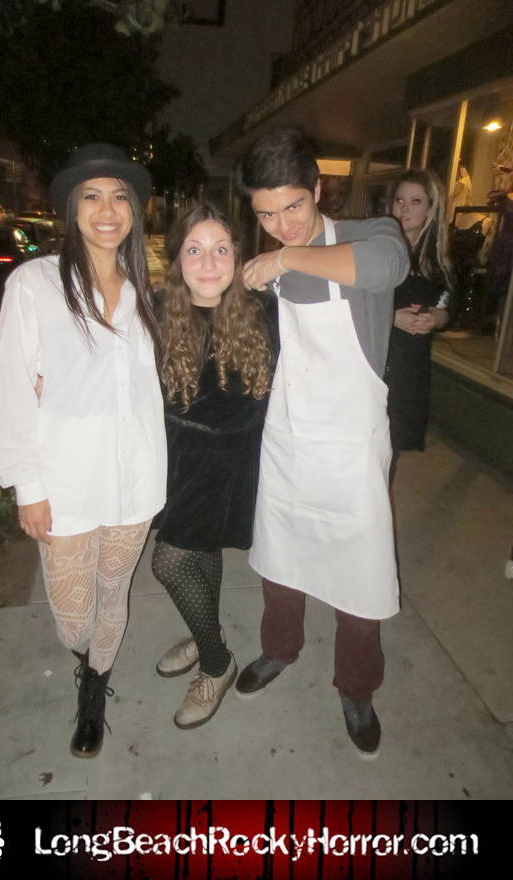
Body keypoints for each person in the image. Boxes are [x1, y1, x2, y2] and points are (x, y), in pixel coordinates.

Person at [0, 143, 166, 758]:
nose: (107, 210)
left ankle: (95, 690)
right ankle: (85, 657)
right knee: (73, 616)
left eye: (120, 197)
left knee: (114, 594)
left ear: (135, 211)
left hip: (135, 480)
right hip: (65, 483)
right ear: (72, 208)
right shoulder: (35, 284)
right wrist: (27, 486)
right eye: (92, 196)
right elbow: (13, 385)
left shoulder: (144, 289)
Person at [236, 127, 410, 758]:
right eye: (266, 215)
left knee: (360, 576)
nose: (282, 225)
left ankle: (357, 689)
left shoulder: (370, 235)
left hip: (350, 446)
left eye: (293, 206)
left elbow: (388, 268)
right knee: (281, 560)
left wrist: (285, 259)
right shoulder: (265, 267)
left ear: (317, 188)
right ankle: (279, 650)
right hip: (290, 437)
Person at [151, 203, 276, 729]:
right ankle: (208, 636)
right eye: (194, 250)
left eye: (221, 249)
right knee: (200, 551)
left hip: (228, 459)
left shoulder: (263, 309)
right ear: (177, 259)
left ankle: (217, 663)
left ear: (238, 256)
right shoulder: (158, 309)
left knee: (169, 562)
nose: (208, 263)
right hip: (176, 453)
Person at [386, 169, 451, 458]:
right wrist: (392, 318)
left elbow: (448, 306)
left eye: (415, 202)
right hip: (378, 357)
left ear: (430, 209)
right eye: (399, 200)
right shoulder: (378, 249)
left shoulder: (436, 261)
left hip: (410, 365)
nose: (404, 209)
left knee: (394, 445)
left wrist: (437, 318)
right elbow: (351, 303)